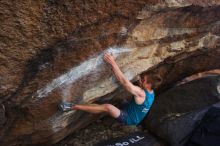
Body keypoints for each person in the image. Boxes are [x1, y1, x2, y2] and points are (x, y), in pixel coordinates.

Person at [58, 52, 155, 125]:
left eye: (143, 80)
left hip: (129, 119)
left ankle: (73, 107)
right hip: (131, 110)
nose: (141, 79)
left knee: (108, 107)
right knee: (120, 101)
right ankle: (103, 111)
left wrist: (112, 62)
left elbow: (124, 82)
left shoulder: (141, 93)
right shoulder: (151, 91)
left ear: (148, 85)